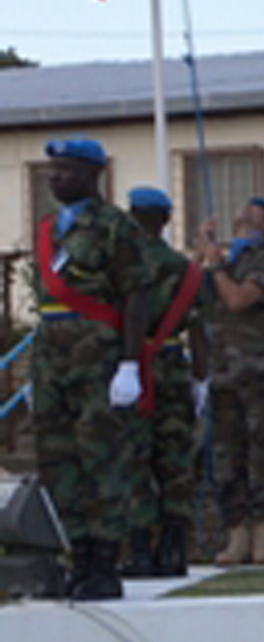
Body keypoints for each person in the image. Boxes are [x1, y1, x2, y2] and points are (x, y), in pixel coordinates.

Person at [30, 139, 149, 600]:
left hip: (96, 354)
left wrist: (129, 364)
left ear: (91, 173)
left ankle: (103, 561)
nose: (55, 177)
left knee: (101, 457)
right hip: (52, 354)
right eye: (52, 169)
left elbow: (134, 295)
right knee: (56, 458)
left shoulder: (115, 226)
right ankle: (75, 555)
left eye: (64, 169)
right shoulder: (48, 227)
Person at [197, 197, 264, 567]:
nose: (244, 215)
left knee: (263, 451)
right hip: (223, 374)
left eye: (255, 213)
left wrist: (217, 267)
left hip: (260, 375)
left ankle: (263, 532)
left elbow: (238, 299)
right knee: (226, 455)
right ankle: (236, 533)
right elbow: (195, 300)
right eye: (242, 212)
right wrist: (204, 253)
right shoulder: (224, 261)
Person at [124, 186, 207, 579]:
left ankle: (139, 550)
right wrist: (201, 379)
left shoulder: (122, 265)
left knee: (134, 459)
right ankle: (173, 549)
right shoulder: (184, 270)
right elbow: (199, 331)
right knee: (175, 460)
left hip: (130, 366)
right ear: (167, 220)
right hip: (171, 366)